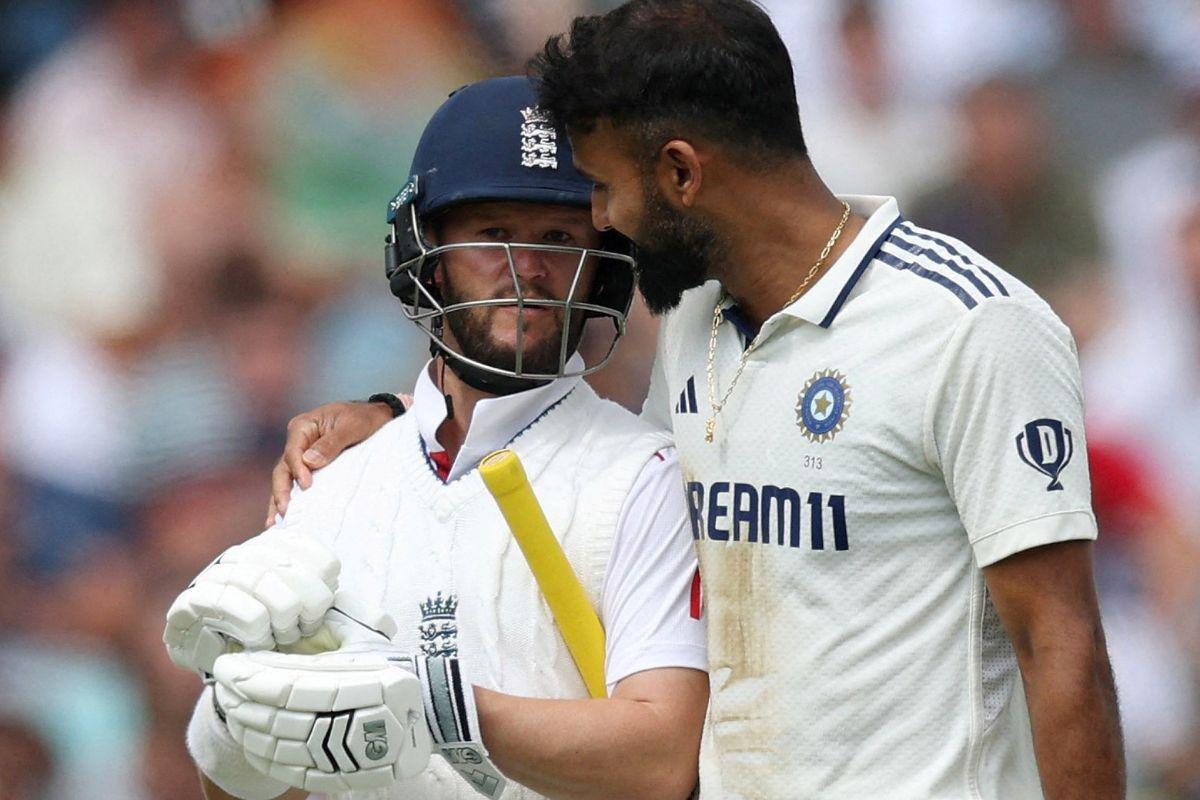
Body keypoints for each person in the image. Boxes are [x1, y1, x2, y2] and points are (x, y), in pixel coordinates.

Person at [274, 2, 1126, 798]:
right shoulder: (694, 320)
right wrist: (394, 415)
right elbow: (576, 445)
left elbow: (1065, 650)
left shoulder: (968, 326)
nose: (604, 220)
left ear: (680, 172)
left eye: (605, 187)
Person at [164, 76, 708, 800]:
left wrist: (431, 703)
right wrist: (233, 724)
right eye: (492, 236)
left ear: (599, 272)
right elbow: (256, 790)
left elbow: (662, 760)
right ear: (426, 248)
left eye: (559, 238)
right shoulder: (330, 477)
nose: (528, 270)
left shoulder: (642, 477)